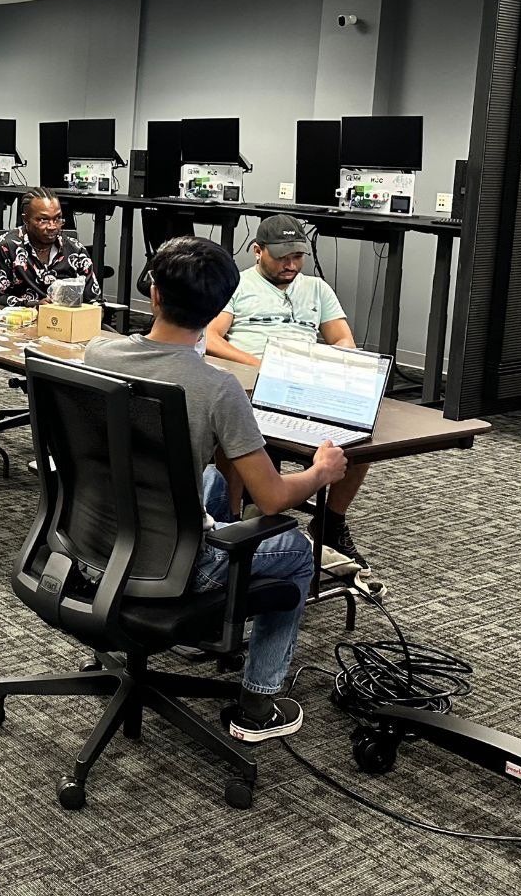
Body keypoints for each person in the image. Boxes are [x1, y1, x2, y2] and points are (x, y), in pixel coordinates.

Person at [84, 236, 348, 741]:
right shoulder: (216, 387)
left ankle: (196, 626)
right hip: (167, 563)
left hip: (91, 542)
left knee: (210, 479)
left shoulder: (98, 352)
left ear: (154, 294)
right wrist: (320, 471)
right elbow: (273, 498)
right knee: (296, 549)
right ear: (220, 309)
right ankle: (258, 704)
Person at [203, 214, 374, 578]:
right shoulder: (237, 284)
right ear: (257, 251)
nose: (291, 265)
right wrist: (264, 365)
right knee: (233, 428)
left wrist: (331, 363)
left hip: (305, 383)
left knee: (360, 439)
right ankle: (231, 520)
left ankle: (330, 522)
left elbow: (343, 339)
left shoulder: (317, 289)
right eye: (282, 257)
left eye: (297, 257)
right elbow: (212, 338)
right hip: (253, 379)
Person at [0, 187, 102, 307]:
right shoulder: (6, 248)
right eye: (43, 220)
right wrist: (33, 305)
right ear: (25, 219)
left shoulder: (76, 251)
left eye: (57, 218)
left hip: (66, 316)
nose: (52, 226)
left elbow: (93, 300)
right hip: (21, 317)